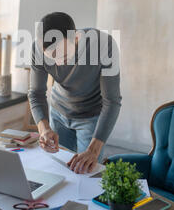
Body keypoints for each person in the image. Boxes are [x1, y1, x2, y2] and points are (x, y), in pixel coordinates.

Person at [28, 12, 122, 174]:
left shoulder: (103, 45)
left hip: (91, 117)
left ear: (77, 38)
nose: (58, 63)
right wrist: (44, 128)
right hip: (58, 111)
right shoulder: (37, 49)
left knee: (87, 172)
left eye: (64, 56)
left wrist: (93, 150)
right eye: (52, 58)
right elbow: (36, 93)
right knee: (58, 170)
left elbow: (112, 101)